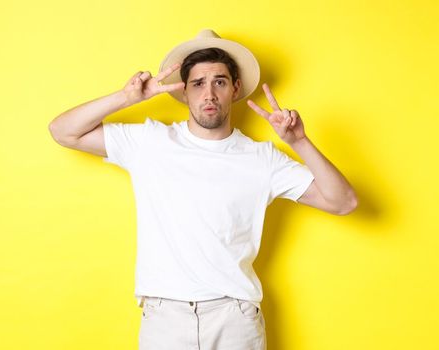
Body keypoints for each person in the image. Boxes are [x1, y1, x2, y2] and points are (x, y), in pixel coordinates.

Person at [47, 29, 358, 350]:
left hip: (234, 317)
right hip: (164, 317)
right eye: (198, 83)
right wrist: (126, 98)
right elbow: (63, 131)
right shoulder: (150, 142)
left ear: (235, 88)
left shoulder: (262, 158)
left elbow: (343, 201)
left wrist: (300, 142)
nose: (208, 94)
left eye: (219, 82)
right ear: (183, 91)